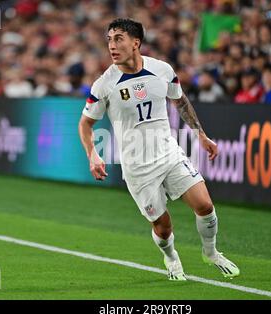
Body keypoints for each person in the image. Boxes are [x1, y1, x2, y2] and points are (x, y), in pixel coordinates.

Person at [78, 18, 239, 281]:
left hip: (168, 154)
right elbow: (85, 124)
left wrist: (200, 134)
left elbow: (180, 101)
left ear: (135, 42)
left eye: (118, 38)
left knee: (205, 205)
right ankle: (171, 257)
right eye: (109, 39)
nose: (112, 45)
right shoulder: (104, 84)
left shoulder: (162, 70)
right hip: (138, 168)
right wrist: (92, 154)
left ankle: (210, 253)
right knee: (163, 228)